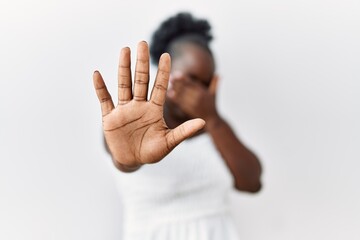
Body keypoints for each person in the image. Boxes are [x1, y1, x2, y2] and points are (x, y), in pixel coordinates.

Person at [93, 12, 262, 240]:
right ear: (166, 74)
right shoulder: (131, 124)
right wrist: (125, 160)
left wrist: (212, 119)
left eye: (206, 83)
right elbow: (123, 158)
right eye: (192, 79)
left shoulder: (214, 127)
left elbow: (252, 183)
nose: (199, 92)